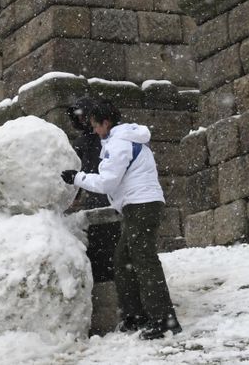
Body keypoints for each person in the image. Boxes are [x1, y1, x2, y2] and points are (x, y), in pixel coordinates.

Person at [62, 98, 181, 340]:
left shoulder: (120, 143)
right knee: (123, 260)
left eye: (96, 125)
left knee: (143, 260)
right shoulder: (121, 140)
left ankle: (164, 320)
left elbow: (107, 181)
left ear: (106, 123)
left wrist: (77, 178)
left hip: (142, 205)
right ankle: (136, 315)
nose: (94, 130)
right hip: (136, 205)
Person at [65, 98, 123, 284]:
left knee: (107, 242)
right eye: (78, 118)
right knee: (103, 243)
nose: (82, 122)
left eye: (84, 118)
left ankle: (109, 278)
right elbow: (78, 171)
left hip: (105, 193)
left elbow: (78, 171)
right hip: (99, 194)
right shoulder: (88, 141)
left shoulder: (106, 139)